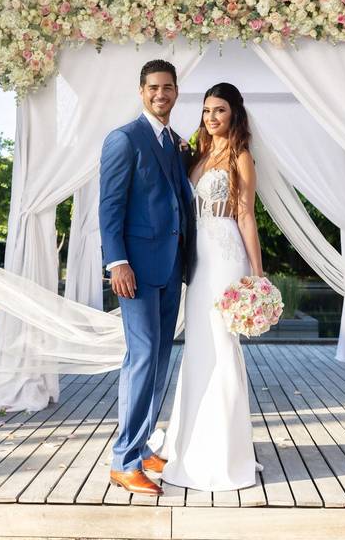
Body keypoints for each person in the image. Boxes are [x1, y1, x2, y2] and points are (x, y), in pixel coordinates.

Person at [98, 59, 197, 496]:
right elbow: (109, 207)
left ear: (176, 92)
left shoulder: (176, 142)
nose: (162, 94)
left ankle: (140, 449)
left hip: (171, 266)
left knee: (159, 360)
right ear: (142, 91)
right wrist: (117, 262)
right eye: (154, 87)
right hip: (134, 270)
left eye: (169, 87)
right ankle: (123, 460)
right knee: (141, 359)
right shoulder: (123, 140)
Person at [158, 82, 263, 491]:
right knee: (199, 347)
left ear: (234, 113)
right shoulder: (197, 154)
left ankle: (225, 453)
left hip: (225, 254)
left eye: (219, 110)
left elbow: (246, 215)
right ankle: (189, 443)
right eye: (205, 111)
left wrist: (256, 272)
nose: (211, 117)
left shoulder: (241, 156)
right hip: (197, 259)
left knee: (221, 345)